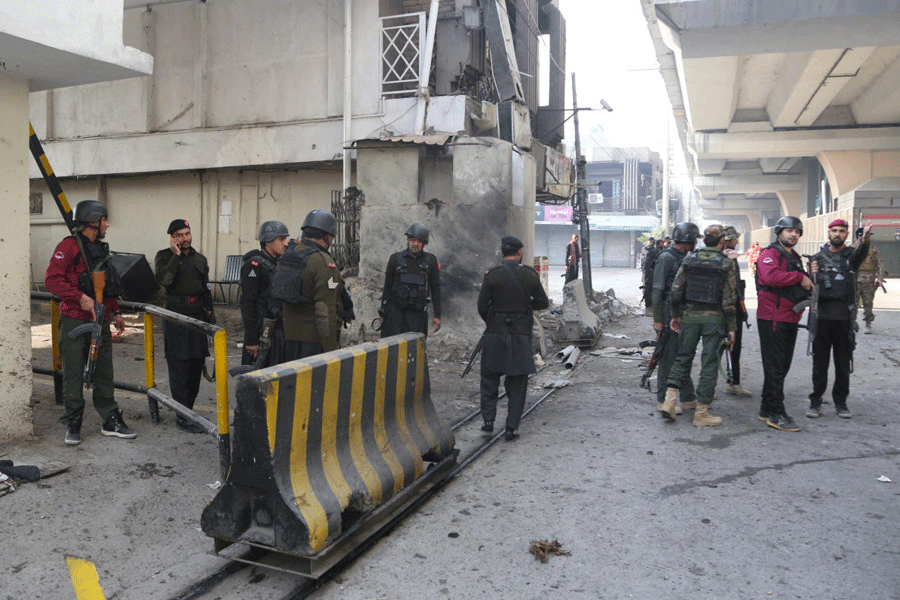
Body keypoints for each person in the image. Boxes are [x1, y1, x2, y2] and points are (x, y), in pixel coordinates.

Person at [45, 200, 136, 445]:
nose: (107, 224)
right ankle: (73, 421)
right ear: (92, 222)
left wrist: (115, 312)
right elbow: (52, 280)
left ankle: (110, 419)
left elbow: (106, 285)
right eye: (104, 219)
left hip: (101, 320)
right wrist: (80, 298)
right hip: (75, 321)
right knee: (73, 373)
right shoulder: (69, 247)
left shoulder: (100, 249)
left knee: (104, 372)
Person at [661, 224, 737, 427]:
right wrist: (732, 327)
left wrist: (676, 315)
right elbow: (729, 300)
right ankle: (701, 413)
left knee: (683, 358)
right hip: (714, 320)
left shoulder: (689, 259)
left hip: (690, 318)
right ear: (721, 241)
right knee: (710, 364)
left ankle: (669, 401)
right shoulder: (726, 263)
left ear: (704, 240)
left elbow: (676, 291)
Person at [478, 236, 549, 441]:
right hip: (520, 335)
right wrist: (525, 307)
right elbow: (542, 302)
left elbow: (482, 306)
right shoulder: (530, 275)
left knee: (489, 378)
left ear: (502, 253)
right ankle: (511, 427)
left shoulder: (492, 275)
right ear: (519, 253)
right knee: (517, 383)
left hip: (495, 334)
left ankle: (488, 421)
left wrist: (493, 320)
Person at [154, 219, 215, 434]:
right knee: (179, 367)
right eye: (179, 235)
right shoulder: (164, 257)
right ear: (172, 238)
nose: (185, 238)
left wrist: (210, 322)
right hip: (176, 319)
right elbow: (165, 282)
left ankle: (189, 411)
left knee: (196, 366)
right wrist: (175, 257)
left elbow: (206, 290)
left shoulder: (200, 259)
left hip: (197, 318)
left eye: (187, 233)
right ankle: (182, 415)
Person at [806, 219, 872, 419]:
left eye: (842, 231)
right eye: (834, 230)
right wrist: (811, 273)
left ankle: (841, 403)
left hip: (844, 319)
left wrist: (866, 239)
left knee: (843, 364)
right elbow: (808, 285)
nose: (837, 234)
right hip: (822, 318)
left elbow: (861, 253)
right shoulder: (817, 257)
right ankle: (815, 401)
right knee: (820, 364)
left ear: (846, 234)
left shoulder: (851, 256)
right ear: (828, 232)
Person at [754, 216, 814, 432]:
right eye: (789, 230)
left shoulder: (794, 256)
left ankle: (766, 407)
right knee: (776, 367)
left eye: (797, 231)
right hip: (772, 317)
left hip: (789, 317)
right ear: (779, 232)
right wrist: (799, 276)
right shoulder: (769, 254)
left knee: (781, 366)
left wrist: (809, 274)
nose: (793, 234)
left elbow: (805, 282)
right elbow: (770, 278)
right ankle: (776, 413)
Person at [279, 209, 345, 360]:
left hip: (289, 339)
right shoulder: (321, 261)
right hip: (314, 341)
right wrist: (331, 349)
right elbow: (325, 310)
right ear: (327, 236)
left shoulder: (288, 255)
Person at [651, 222, 700, 416]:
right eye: (694, 239)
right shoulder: (667, 257)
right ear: (688, 240)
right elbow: (657, 289)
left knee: (683, 354)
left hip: (681, 313)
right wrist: (658, 319)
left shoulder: (683, 257)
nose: (696, 242)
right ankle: (663, 400)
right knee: (668, 357)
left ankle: (688, 398)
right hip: (667, 313)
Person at [239, 220, 289, 367]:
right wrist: (251, 340)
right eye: (281, 239)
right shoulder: (254, 266)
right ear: (268, 241)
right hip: (261, 333)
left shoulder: (277, 264)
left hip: (277, 332)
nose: (285, 243)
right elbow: (248, 304)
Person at [380, 223, 442, 338]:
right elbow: (387, 287)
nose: (415, 244)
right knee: (393, 349)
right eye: (413, 240)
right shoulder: (395, 259)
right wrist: (382, 312)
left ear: (423, 243)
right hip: (396, 314)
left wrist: (437, 315)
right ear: (408, 241)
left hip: (417, 316)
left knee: (416, 350)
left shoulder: (431, 260)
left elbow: (436, 289)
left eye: (419, 241)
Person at [722, 226, 752, 397]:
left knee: (732, 346)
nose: (736, 241)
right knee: (727, 346)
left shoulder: (726, 257)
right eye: (734, 239)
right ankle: (730, 383)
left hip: (733, 306)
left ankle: (733, 381)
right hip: (728, 308)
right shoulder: (726, 257)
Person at [853, 226, 885, 334]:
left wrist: (880, 278)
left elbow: (879, 264)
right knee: (852, 304)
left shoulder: (872, 248)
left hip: (869, 281)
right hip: (854, 281)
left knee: (868, 304)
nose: (868, 238)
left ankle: (868, 323)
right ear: (859, 236)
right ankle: (850, 324)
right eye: (866, 235)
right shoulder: (852, 248)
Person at [641, 237, 659, 308]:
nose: (650, 242)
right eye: (649, 241)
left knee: (651, 288)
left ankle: (650, 304)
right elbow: (646, 253)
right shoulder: (645, 249)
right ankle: (647, 305)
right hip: (645, 271)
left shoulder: (655, 250)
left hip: (653, 272)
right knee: (646, 287)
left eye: (652, 241)